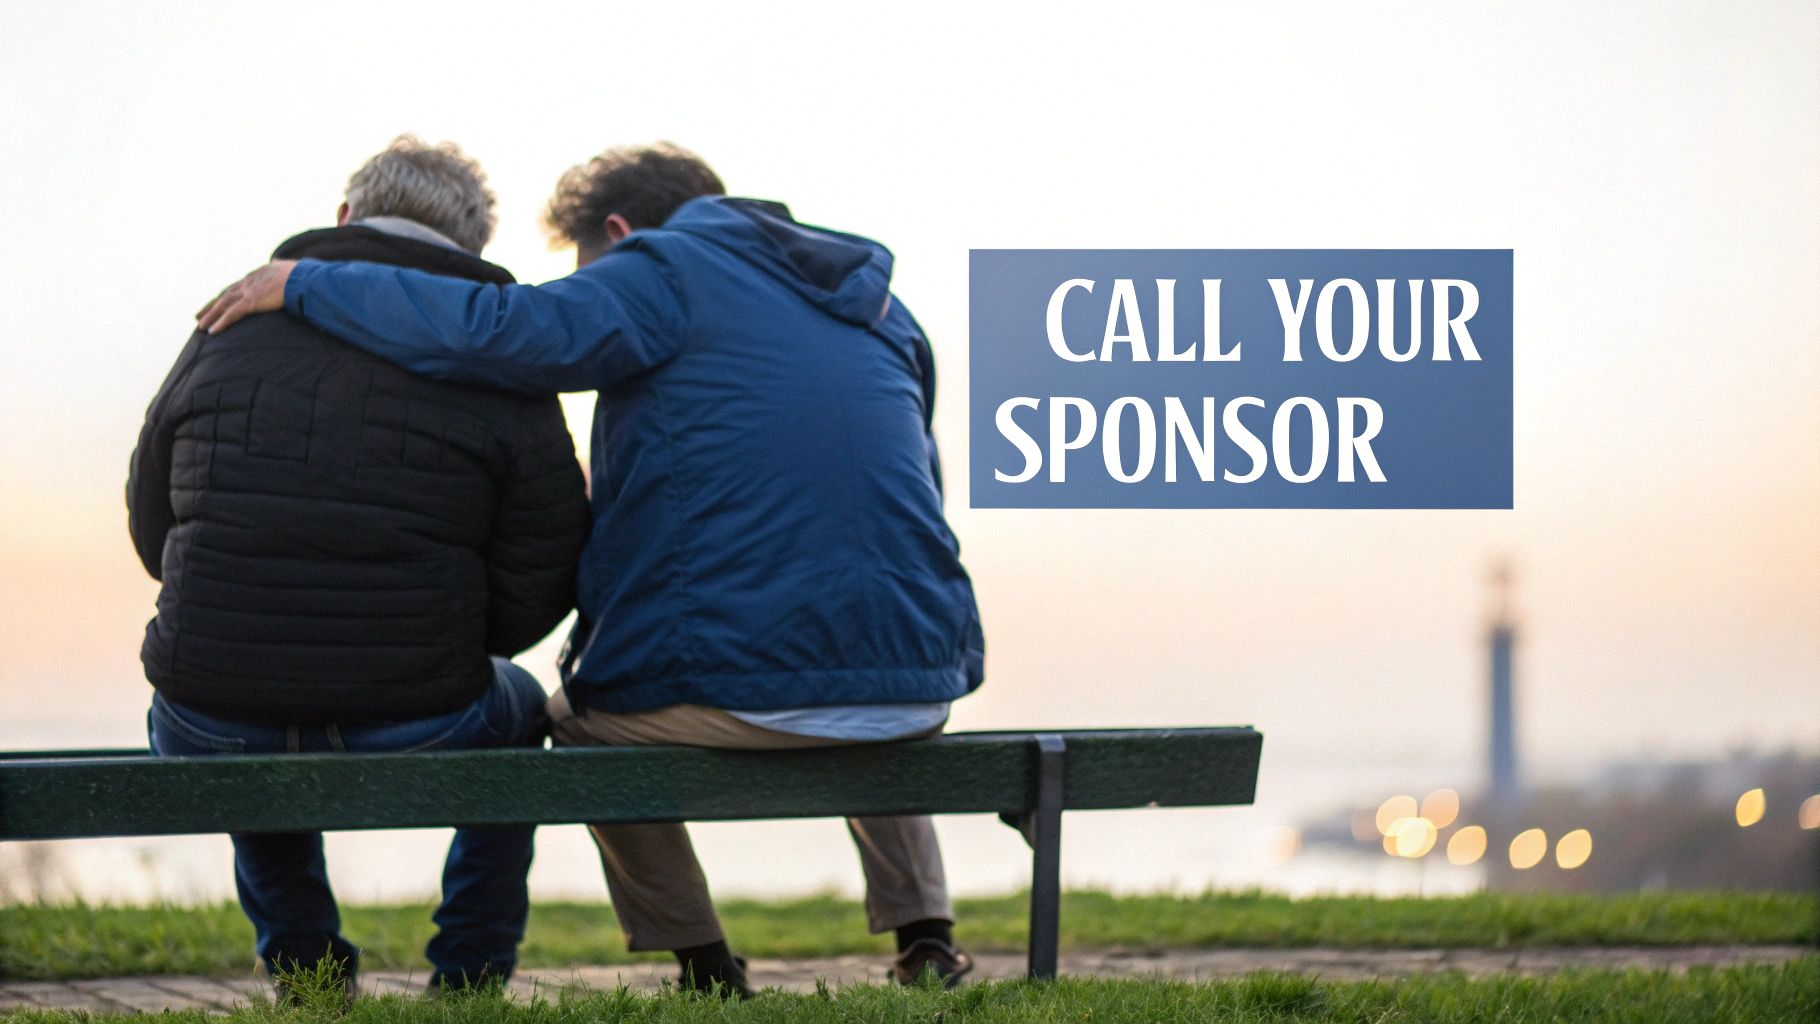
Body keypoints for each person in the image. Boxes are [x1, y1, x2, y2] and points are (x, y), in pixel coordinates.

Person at [198, 143, 986, 995]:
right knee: (861, 663)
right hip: (919, 686)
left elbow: (506, 334)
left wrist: (310, 283)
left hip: (740, 691)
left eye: (583, 271)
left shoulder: (662, 269)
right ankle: (926, 934)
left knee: (576, 724)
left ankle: (704, 964)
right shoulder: (874, 301)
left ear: (615, 231)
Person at [130, 136, 590, 995]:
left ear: (344, 217)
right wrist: (449, 643)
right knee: (521, 709)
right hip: (420, 708)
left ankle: (305, 967)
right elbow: (550, 551)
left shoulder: (231, 320)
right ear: (475, 247)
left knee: (243, 696)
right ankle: (470, 971)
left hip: (206, 714)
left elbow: (152, 514)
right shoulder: (498, 350)